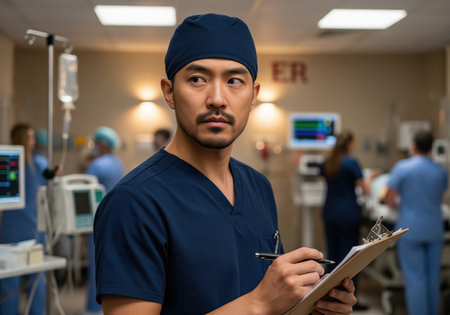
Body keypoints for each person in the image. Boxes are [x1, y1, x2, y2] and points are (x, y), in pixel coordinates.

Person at [94, 13, 357, 314]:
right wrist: (258, 304)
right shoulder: (134, 203)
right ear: (169, 92)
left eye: (234, 81)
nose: (217, 98)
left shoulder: (258, 187)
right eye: (197, 79)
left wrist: (310, 306)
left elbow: (270, 301)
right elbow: (260, 302)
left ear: (253, 95)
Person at [384, 130, 447, 315]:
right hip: (434, 229)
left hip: (410, 229)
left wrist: (401, 202)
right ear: (431, 147)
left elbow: (389, 198)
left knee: (414, 278)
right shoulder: (440, 170)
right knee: (433, 277)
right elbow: (439, 197)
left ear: (413, 146)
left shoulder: (403, 167)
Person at [320, 130, 372, 311]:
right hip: (348, 215)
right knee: (350, 259)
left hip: (330, 212)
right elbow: (365, 190)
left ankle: (328, 298)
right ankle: (347, 299)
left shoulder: (327, 161)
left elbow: (322, 180)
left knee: (333, 256)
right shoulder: (351, 163)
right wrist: (370, 179)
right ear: (349, 144)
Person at [0, 123, 47, 315]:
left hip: (16, 229)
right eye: (30, 137)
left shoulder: (37, 164)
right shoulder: (37, 164)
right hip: (29, 229)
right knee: (34, 280)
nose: (33, 142)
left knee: (12, 282)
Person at [85, 126, 124, 314]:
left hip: (96, 219)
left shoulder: (97, 165)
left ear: (102, 143)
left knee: (95, 265)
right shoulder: (117, 163)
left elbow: (84, 189)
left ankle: (94, 308)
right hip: (115, 219)